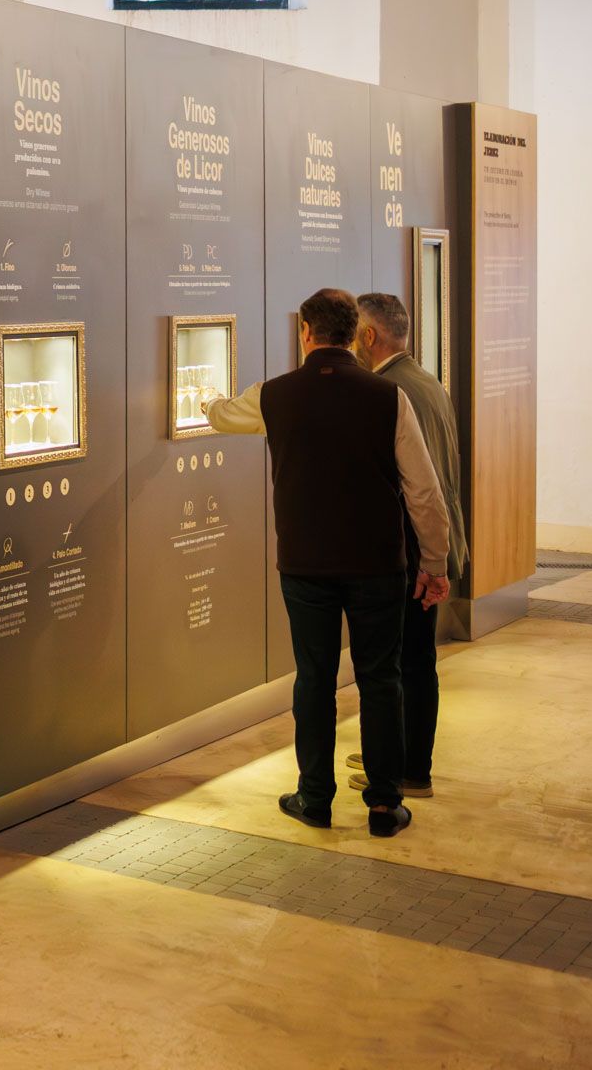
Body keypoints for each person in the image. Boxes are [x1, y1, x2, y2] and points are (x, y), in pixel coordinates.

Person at [202, 288, 450, 838]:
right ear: (351, 334)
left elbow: (223, 416)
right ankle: (385, 805)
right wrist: (433, 561)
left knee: (313, 678)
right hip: (378, 566)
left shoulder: (275, 395)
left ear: (306, 333)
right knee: (380, 679)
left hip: (305, 565)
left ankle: (314, 797)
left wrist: (206, 403)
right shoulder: (388, 398)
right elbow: (424, 492)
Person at [349, 292, 468, 799]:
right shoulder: (428, 384)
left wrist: (428, 559)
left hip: (413, 550)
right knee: (412, 659)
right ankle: (397, 754)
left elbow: (415, 489)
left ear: (369, 336)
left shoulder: (387, 392)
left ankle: (409, 770)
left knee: (406, 662)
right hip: (434, 543)